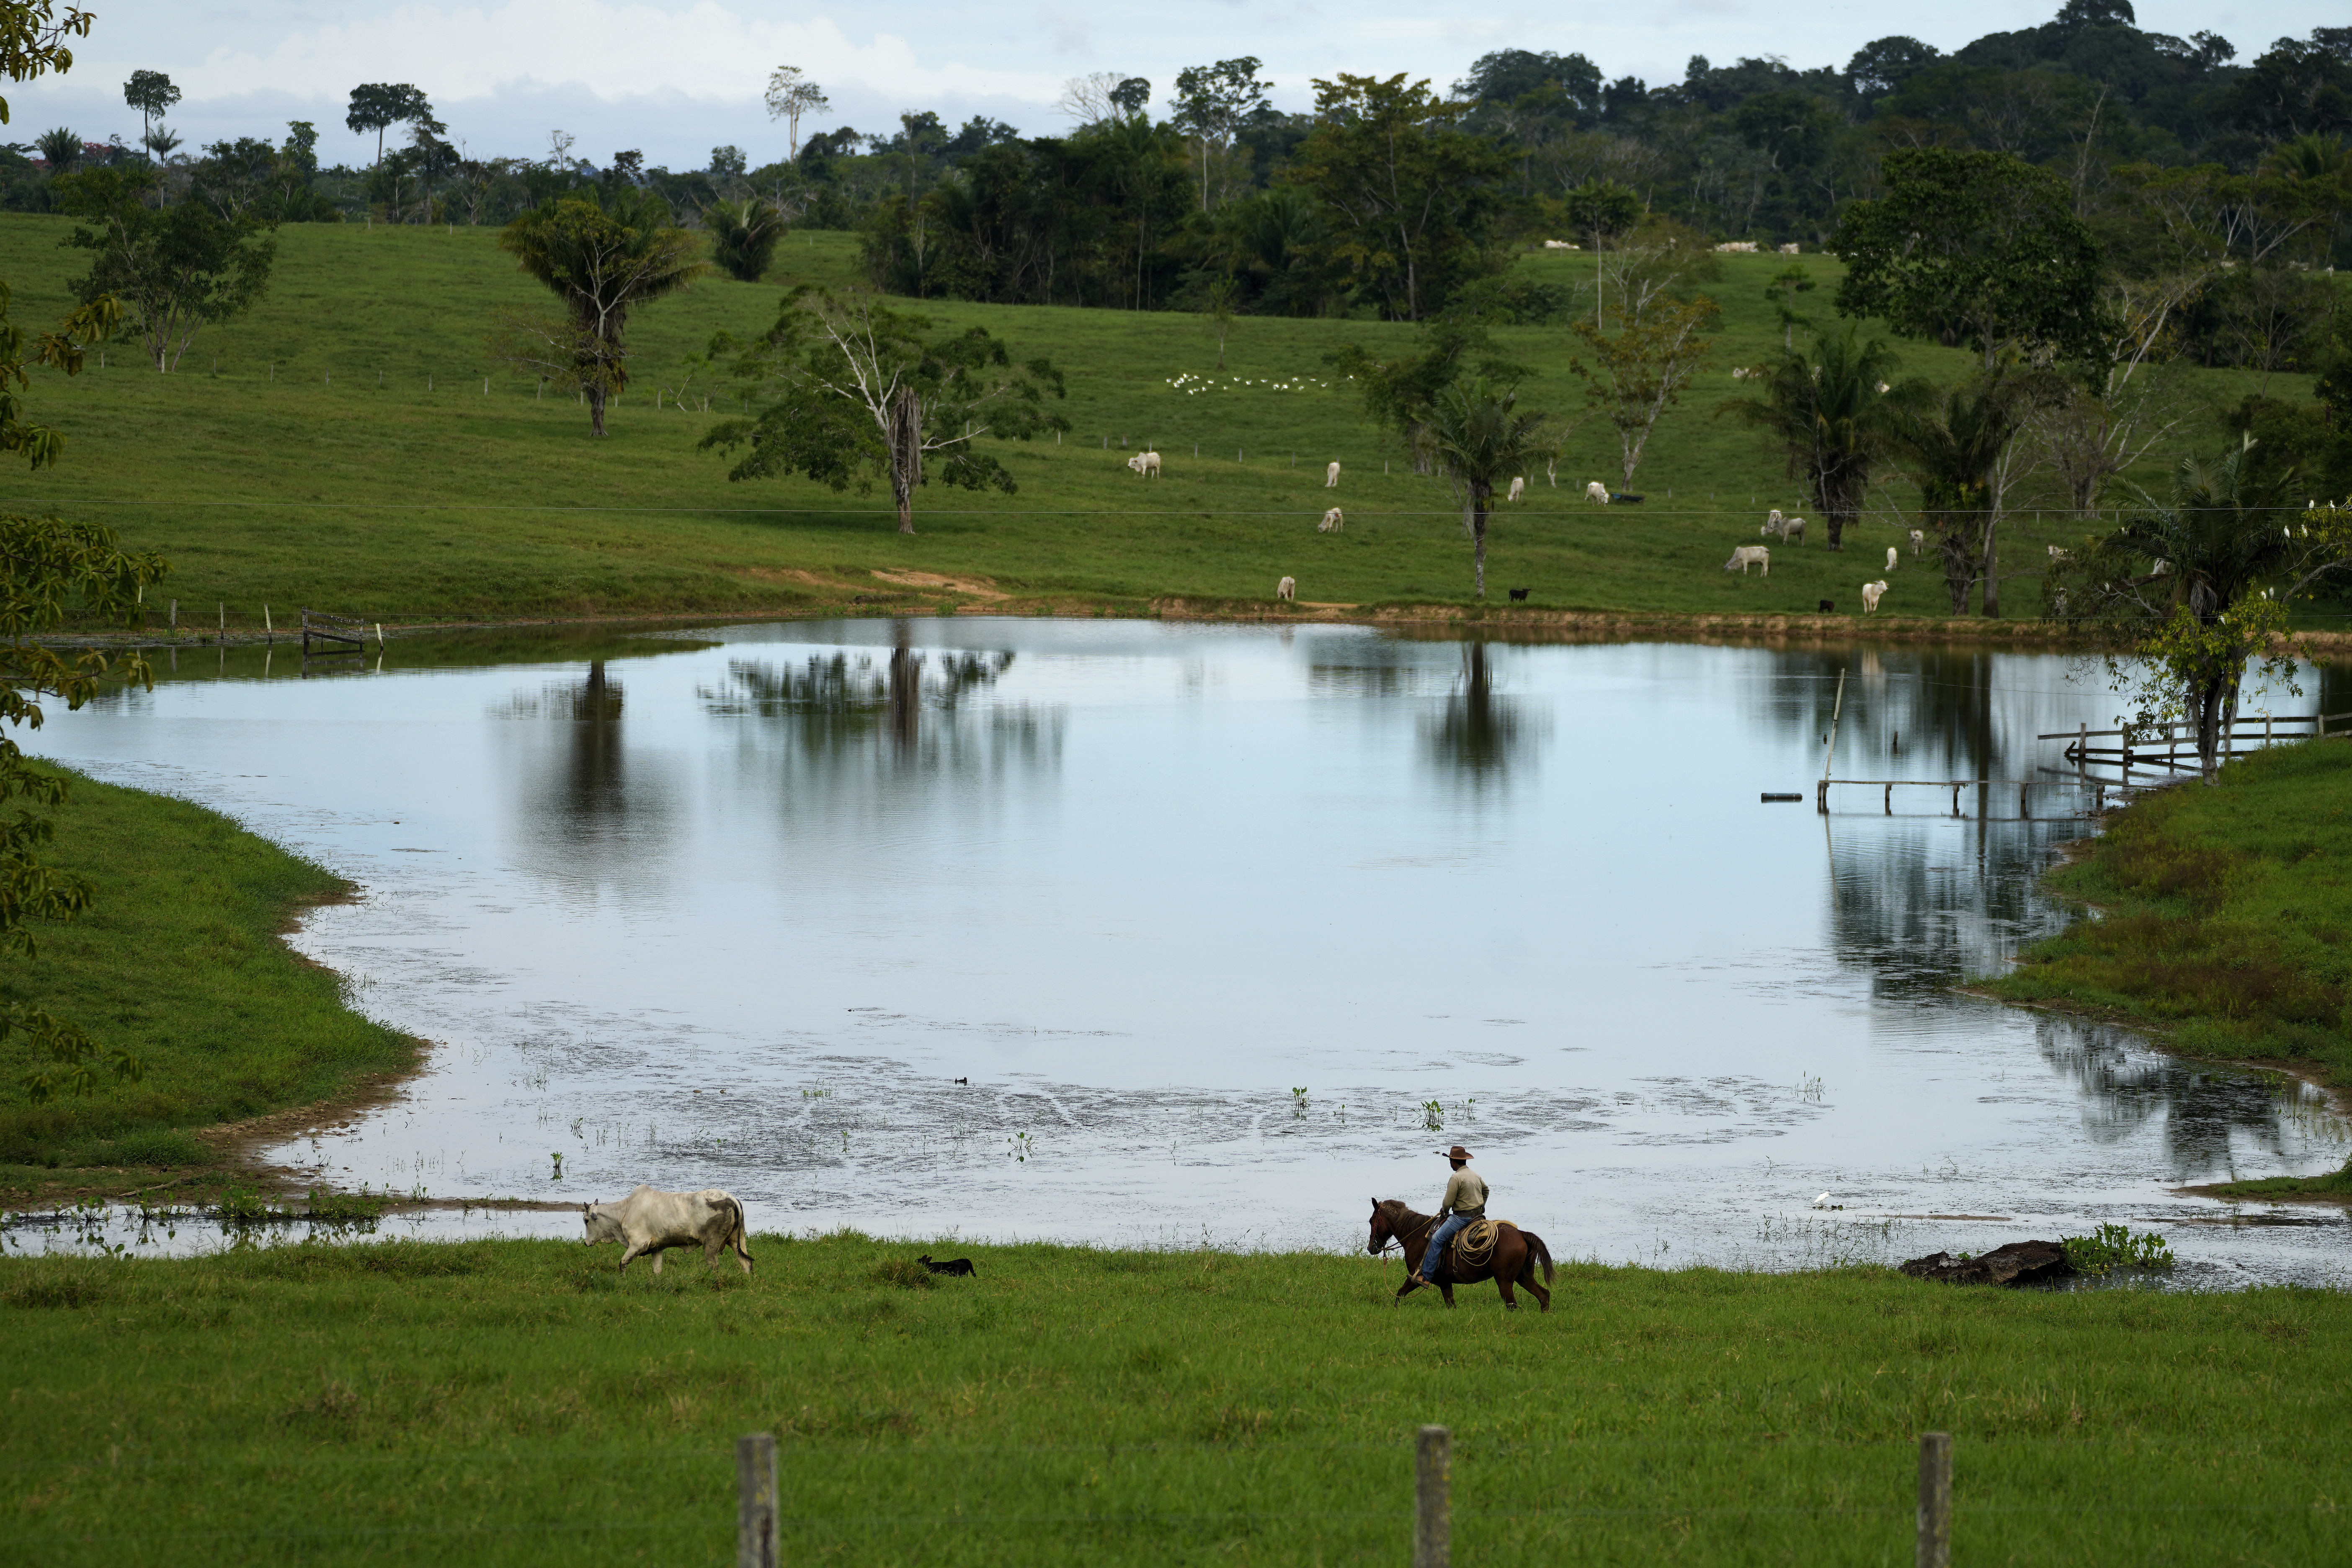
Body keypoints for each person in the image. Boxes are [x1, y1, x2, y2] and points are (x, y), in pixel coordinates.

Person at [1412, 1145, 1488, 1287]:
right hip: (1478, 1217)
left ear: (1453, 1162)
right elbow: (1486, 1191)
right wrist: (1481, 1206)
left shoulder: (1456, 1177)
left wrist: (1445, 1211)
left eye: (1450, 1161)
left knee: (1437, 1239)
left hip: (1461, 1218)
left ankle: (1426, 1276)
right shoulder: (1475, 1175)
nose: (1450, 1163)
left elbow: (1448, 1202)